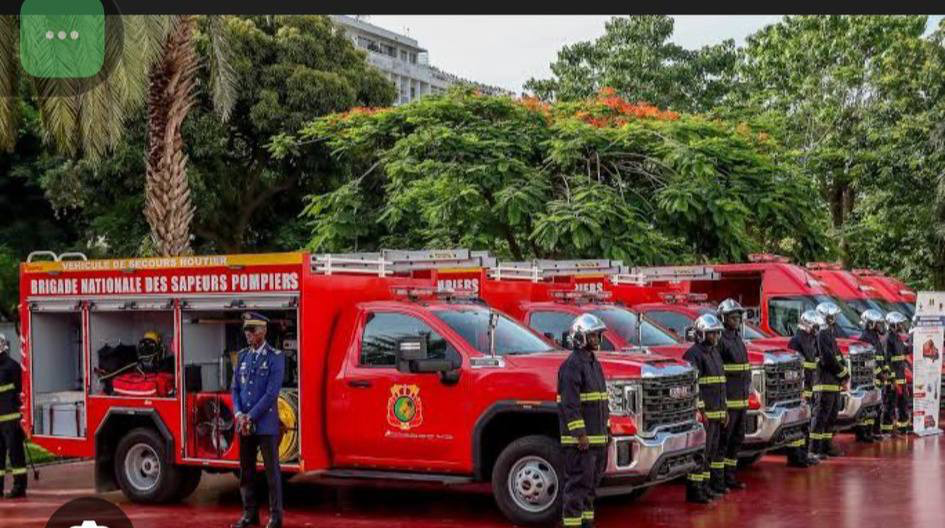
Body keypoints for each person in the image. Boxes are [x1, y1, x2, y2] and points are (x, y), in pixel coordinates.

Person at [231, 313, 285, 528]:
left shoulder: (275, 357)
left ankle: (276, 516)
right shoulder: (243, 356)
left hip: (265, 424)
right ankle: (249, 513)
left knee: (272, 473)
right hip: (244, 423)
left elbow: (271, 393)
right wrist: (238, 414)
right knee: (246, 472)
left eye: (252, 331)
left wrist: (250, 416)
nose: (248, 335)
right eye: (246, 330)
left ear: (263, 331)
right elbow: (235, 388)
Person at [558, 313, 609, 528]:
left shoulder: (593, 363)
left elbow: (601, 401)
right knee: (577, 488)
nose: (597, 340)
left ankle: (587, 524)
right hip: (581, 443)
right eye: (593, 336)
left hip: (597, 439)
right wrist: (580, 435)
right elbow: (570, 405)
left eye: (598, 335)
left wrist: (607, 429)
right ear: (580, 338)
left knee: (590, 489)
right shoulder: (572, 366)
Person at [683, 313, 728, 503]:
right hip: (705, 415)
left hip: (717, 413)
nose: (715, 337)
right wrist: (701, 412)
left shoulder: (714, 353)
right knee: (700, 455)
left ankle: (706, 486)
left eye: (717, 334)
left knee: (711, 453)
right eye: (711, 334)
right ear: (701, 334)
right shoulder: (693, 354)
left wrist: (725, 409)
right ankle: (695, 490)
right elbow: (694, 386)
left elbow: (721, 383)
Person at [716, 299, 749, 490]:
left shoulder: (737, 338)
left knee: (737, 440)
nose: (736, 320)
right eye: (733, 317)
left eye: (738, 316)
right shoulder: (721, 340)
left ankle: (730, 478)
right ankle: (719, 482)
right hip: (730, 401)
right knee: (723, 443)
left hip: (742, 400)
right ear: (724, 318)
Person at [810, 302, 850, 457]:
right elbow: (828, 359)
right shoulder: (821, 333)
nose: (834, 319)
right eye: (831, 316)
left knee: (830, 417)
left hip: (833, 383)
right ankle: (814, 450)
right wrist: (843, 374)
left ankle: (826, 446)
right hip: (824, 383)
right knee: (820, 418)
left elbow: (838, 356)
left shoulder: (829, 333)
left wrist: (845, 372)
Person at [785, 310, 823, 467]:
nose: (817, 329)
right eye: (815, 326)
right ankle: (796, 457)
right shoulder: (796, 340)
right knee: (798, 424)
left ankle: (804, 454)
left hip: (809, 386)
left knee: (805, 423)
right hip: (800, 389)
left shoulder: (810, 339)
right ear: (807, 325)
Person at [0, 333, 27, 498]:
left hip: (11, 419)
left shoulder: (12, 367)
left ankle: (19, 487)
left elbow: (20, 392)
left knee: (15, 454)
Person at [858, 309, 887, 442]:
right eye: (878, 324)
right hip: (869, 378)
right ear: (870, 324)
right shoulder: (865, 337)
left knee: (875, 406)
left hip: (878, 378)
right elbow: (868, 361)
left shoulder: (875, 337)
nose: (880, 327)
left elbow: (881, 358)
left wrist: (885, 371)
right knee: (868, 406)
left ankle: (872, 432)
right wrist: (878, 373)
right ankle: (863, 434)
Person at [885, 312, 910, 435]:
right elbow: (887, 361)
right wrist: (892, 379)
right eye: (899, 324)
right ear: (894, 325)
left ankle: (903, 427)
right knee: (890, 405)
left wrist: (915, 340)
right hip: (894, 379)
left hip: (902, 378)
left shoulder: (898, 338)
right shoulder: (888, 339)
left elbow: (905, 350)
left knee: (903, 403)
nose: (901, 326)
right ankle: (887, 430)